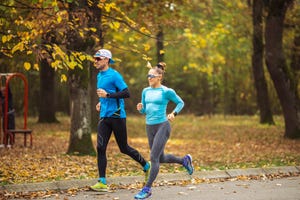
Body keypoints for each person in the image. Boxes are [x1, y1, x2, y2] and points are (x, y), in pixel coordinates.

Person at [90, 49, 150, 192]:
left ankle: (146, 165)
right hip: (104, 117)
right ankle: (102, 182)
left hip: (117, 116)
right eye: (95, 58)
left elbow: (126, 93)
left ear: (106, 60)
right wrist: (101, 102)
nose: (96, 61)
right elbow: (104, 94)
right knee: (100, 148)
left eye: (98, 59)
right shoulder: (99, 76)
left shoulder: (115, 75)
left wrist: (108, 95)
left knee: (124, 148)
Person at [134, 62, 194, 199]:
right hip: (149, 126)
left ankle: (147, 189)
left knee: (153, 158)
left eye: (152, 76)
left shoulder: (166, 91)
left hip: (163, 126)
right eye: (148, 76)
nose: (149, 78)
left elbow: (181, 102)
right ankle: (184, 161)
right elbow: (145, 111)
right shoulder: (145, 91)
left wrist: (174, 113)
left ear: (159, 77)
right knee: (160, 158)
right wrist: (141, 109)